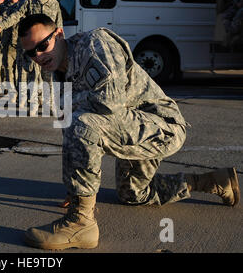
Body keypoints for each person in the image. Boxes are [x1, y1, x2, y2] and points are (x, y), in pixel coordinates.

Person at [18, 14, 240, 251]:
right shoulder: (60, 74)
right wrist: (78, 188)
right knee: (133, 194)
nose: (38, 56)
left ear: (60, 34)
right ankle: (213, 182)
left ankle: (82, 223)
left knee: (79, 120)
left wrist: (81, 201)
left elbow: (110, 102)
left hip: (161, 125)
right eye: (31, 53)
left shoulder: (95, 43)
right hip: (130, 128)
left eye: (43, 45)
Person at [0, 0, 63, 116]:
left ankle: (49, 104)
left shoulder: (55, 4)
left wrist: (60, 44)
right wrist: (0, 26)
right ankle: (33, 104)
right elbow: (15, 16)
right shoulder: (29, 3)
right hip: (34, 47)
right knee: (33, 76)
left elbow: (59, 26)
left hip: (49, 48)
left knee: (48, 77)